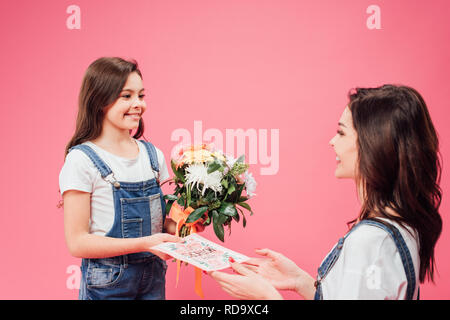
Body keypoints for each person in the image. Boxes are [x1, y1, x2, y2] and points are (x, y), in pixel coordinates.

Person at [209, 84, 443, 300]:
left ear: (373, 144)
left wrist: (268, 298)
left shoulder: (371, 242)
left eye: (341, 133)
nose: (332, 142)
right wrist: (301, 281)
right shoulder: (401, 227)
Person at [59, 57, 181, 300]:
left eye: (141, 96)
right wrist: (147, 243)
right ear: (99, 101)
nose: (138, 104)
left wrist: (182, 228)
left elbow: (160, 222)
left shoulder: (152, 155)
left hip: (154, 276)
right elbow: (77, 243)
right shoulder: (82, 160)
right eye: (126, 96)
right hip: (108, 282)